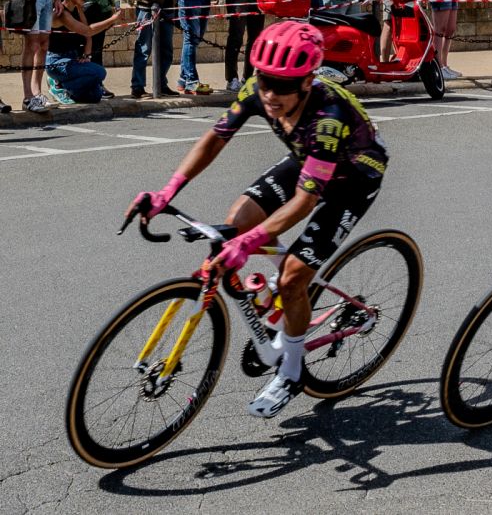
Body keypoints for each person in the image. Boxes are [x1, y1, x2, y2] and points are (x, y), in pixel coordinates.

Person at [126, 21, 387, 418]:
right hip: (307, 159)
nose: (270, 95)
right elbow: (214, 139)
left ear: (307, 82)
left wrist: (248, 244)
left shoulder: (328, 117)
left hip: (353, 176)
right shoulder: (257, 90)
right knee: (238, 219)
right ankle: (287, 297)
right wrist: (167, 192)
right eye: (265, 81)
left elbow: (304, 202)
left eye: (282, 86)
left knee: (293, 276)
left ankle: (292, 370)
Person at [46, 0, 124, 103]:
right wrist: (112, 19)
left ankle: (69, 90)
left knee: (96, 94)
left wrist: (86, 55)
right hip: (57, 61)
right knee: (100, 72)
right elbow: (88, 30)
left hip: (73, 58)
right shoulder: (63, 14)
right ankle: (59, 85)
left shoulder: (77, 9)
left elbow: (87, 36)